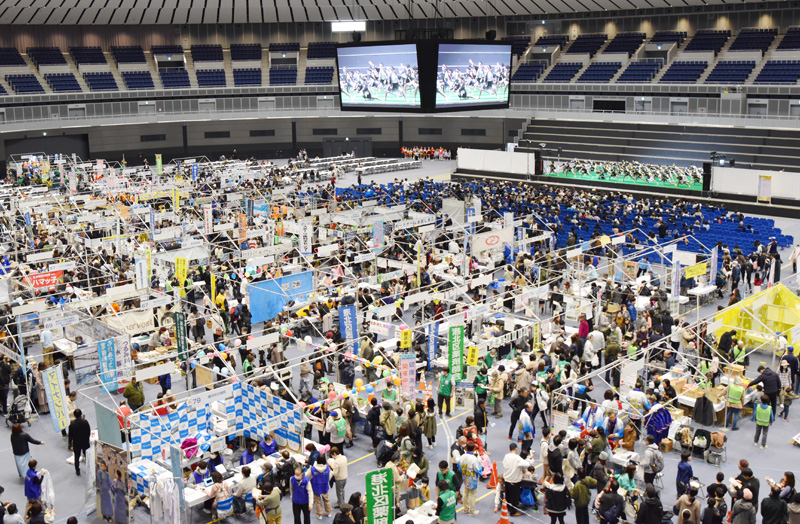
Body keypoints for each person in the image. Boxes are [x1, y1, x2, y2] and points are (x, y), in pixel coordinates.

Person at [502, 442, 530, 517]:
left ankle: (507, 507)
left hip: (507, 479)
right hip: (514, 481)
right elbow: (527, 464)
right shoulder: (517, 458)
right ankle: (513, 512)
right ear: (516, 449)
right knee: (514, 497)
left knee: (508, 495)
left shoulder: (506, 456)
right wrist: (529, 459)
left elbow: (504, 464)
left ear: (509, 449)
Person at [458, 441, 482, 516]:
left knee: (465, 492)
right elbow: (478, 469)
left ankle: (465, 508)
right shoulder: (474, 459)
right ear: (474, 448)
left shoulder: (462, 456)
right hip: (473, 479)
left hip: (465, 477)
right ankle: (471, 511)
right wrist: (481, 472)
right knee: (472, 494)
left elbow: (459, 466)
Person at [68, 408, 91, 475]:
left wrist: (70, 443)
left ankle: (77, 470)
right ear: (81, 414)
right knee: (87, 455)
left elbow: (70, 435)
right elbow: (88, 431)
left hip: (76, 443)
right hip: (85, 442)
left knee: (77, 456)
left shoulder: (72, 424)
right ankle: (89, 468)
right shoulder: (85, 422)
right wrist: (87, 438)